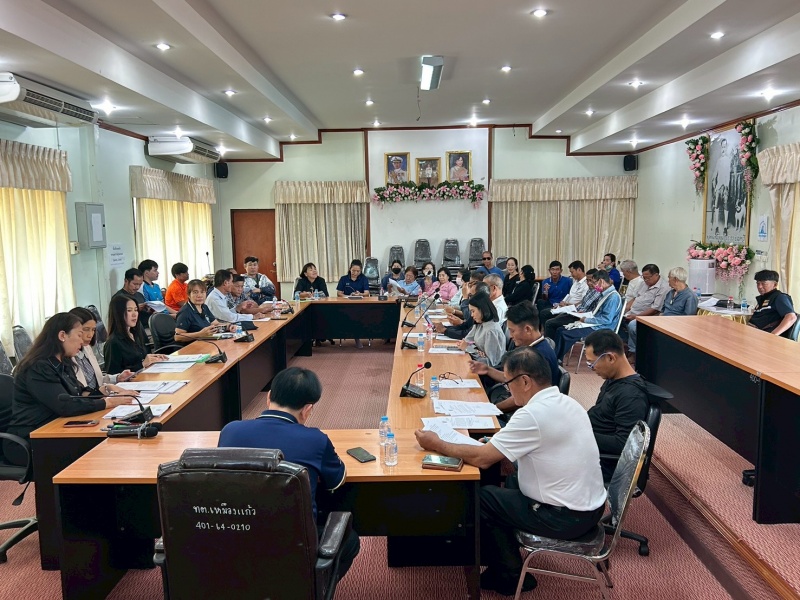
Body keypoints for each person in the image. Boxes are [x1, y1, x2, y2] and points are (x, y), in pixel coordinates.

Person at [415, 347, 606, 596]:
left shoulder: (532, 414)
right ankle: (506, 557)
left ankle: (510, 575)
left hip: (565, 518)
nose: (507, 390)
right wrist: (494, 443)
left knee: (483, 498)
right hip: (590, 507)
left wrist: (436, 443)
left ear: (525, 381)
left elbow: (483, 460)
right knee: (511, 481)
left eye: (508, 383)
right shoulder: (567, 402)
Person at [218, 367, 360, 582]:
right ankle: (312, 587)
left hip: (235, 534)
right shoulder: (315, 439)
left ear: (268, 397)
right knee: (350, 541)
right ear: (308, 410)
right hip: (293, 543)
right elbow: (336, 481)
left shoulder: (230, 430)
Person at [3, 313, 132, 466]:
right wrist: (107, 403)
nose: (82, 340)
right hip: (30, 439)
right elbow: (64, 405)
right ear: (62, 335)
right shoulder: (37, 367)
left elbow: (79, 393)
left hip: (56, 429)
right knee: (97, 452)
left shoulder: (63, 362)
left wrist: (106, 391)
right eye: (79, 335)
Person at [584, 330, 650, 482]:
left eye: (592, 363)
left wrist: (580, 434)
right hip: (590, 450)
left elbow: (624, 444)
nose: (592, 368)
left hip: (603, 463)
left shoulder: (631, 395)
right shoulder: (612, 380)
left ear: (610, 358)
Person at [469, 301, 560, 404]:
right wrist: (487, 369)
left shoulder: (538, 357)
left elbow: (522, 398)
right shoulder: (533, 348)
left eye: (512, 331)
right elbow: (512, 378)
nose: (511, 336)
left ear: (527, 329)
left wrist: (494, 408)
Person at [626, 266, 698, 360]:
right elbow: (663, 310)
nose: (668, 281)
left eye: (669, 278)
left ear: (676, 280)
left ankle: (646, 355)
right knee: (633, 325)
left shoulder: (690, 296)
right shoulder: (671, 293)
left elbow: (689, 319)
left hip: (675, 325)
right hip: (662, 320)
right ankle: (635, 352)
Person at [553, 270, 622, 361]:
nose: (593, 285)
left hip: (602, 328)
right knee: (560, 330)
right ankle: (556, 358)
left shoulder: (612, 297)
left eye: (594, 282)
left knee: (565, 334)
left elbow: (606, 319)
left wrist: (585, 320)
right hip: (595, 323)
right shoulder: (605, 293)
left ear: (601, 281)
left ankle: (556, 360)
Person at [68, 307, 136, 392]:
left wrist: (117, 378)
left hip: (99, 396)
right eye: (86, 329)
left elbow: (97, 380)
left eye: (93, 330)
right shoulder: (68, 356)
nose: (90, 335)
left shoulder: (87, 348)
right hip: (89, 398)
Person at [104, 295, 169, 373]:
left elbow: (139, 359)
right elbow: (113, 375)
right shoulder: (113, 342)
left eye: (136, 310)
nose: (134, 314)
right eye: (129, 310)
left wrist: (153, 358)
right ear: (118, 313)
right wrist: (142, 364)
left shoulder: (135, 334)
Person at [544, 269, 602, 340]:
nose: (589, 283)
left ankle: (549, 345)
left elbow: (591, 310)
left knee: (550, 323)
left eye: (591, 281)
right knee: (551, 318)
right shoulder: (589, 289)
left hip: (581, 316)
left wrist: (575, 309)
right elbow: (582, 303)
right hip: (575, 311)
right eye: (587, 280)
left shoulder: (598, 292)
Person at [620, 264, 670, 345]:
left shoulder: (663, 287)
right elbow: (635, 298)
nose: (646, 280)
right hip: (632, 312)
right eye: (644, 277)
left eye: (648, 278)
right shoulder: (643, 283)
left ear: (656, 275)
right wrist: (624, 309)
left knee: (632, 326)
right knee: (616, 318)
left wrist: (636, 317)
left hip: (646, 317)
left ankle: (634, 349)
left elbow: (655, 309)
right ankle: (626, 344)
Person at [458, 292, 505, 366]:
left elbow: (490, 363)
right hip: (476, 364)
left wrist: (470, 349)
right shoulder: (479, 324)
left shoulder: (491, 331)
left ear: (483, 309)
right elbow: (466, 341)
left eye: (473, 311)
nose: (472, 315)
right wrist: (476, 350)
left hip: (486, 371)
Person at [539, 261, 587, 330]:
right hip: (558, 304)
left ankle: (546, 332)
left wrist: (566, 304)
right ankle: (543, 330)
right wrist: (546, 291)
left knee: (548, 319)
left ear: (561, 271)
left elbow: (583, 301)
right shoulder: (576, 282)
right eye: (553, 270)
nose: (554, 272)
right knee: (542, 306)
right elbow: (570, 295)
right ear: (549, 270)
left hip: (571, 308)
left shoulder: (571, 281)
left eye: (572, 272)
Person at [749, 269, 797, 337]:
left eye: (764, 283)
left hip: (763, 337)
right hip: (753, 332)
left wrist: (772, 336)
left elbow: (791, 317)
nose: (759, 286)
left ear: (775, 284)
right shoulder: (764, 298)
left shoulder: (779, 297)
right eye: (758, 283)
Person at [337, 260, 370, 348]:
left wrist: (360, 294)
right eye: (353, 271)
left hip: (360, 304)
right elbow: (339, 293)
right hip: (346, 304)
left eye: (358, 271)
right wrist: (347, 296)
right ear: (350, 269)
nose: (355, 273)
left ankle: (357, 337)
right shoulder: (344, 279)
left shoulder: (364, 278)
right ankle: (354, 336)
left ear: (361, 270)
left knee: (358, 315)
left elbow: (367, 293)